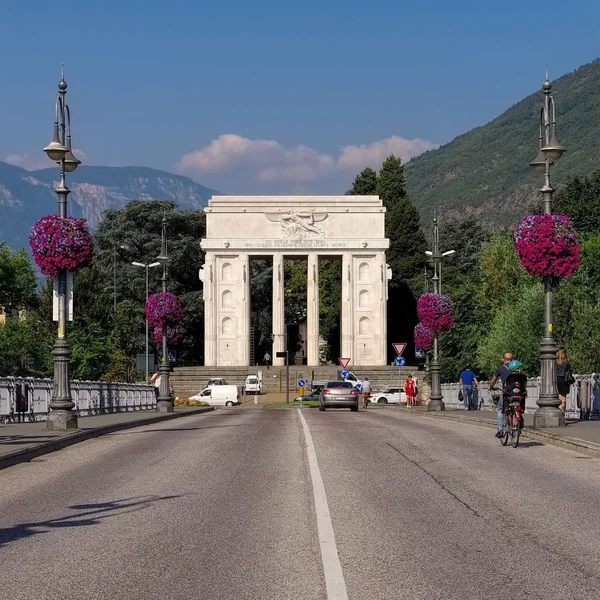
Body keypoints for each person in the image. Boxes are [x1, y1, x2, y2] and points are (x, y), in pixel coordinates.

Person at [489, 352, 512, 438]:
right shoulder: (517, 367)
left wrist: (491, 386)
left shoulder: (501, 368)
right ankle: (518, 421)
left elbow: (494, 380)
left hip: (506, 392)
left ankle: (500, 430)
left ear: (504, 360)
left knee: (500, 409)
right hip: (518, 392)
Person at [556, 348, 572, 412]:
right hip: (564, 380)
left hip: (556, 379)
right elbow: (569, 371)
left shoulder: (555, 362)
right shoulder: (566, 362)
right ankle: (563, 411)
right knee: (563, 396)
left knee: (555, 396)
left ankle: (557, 410)